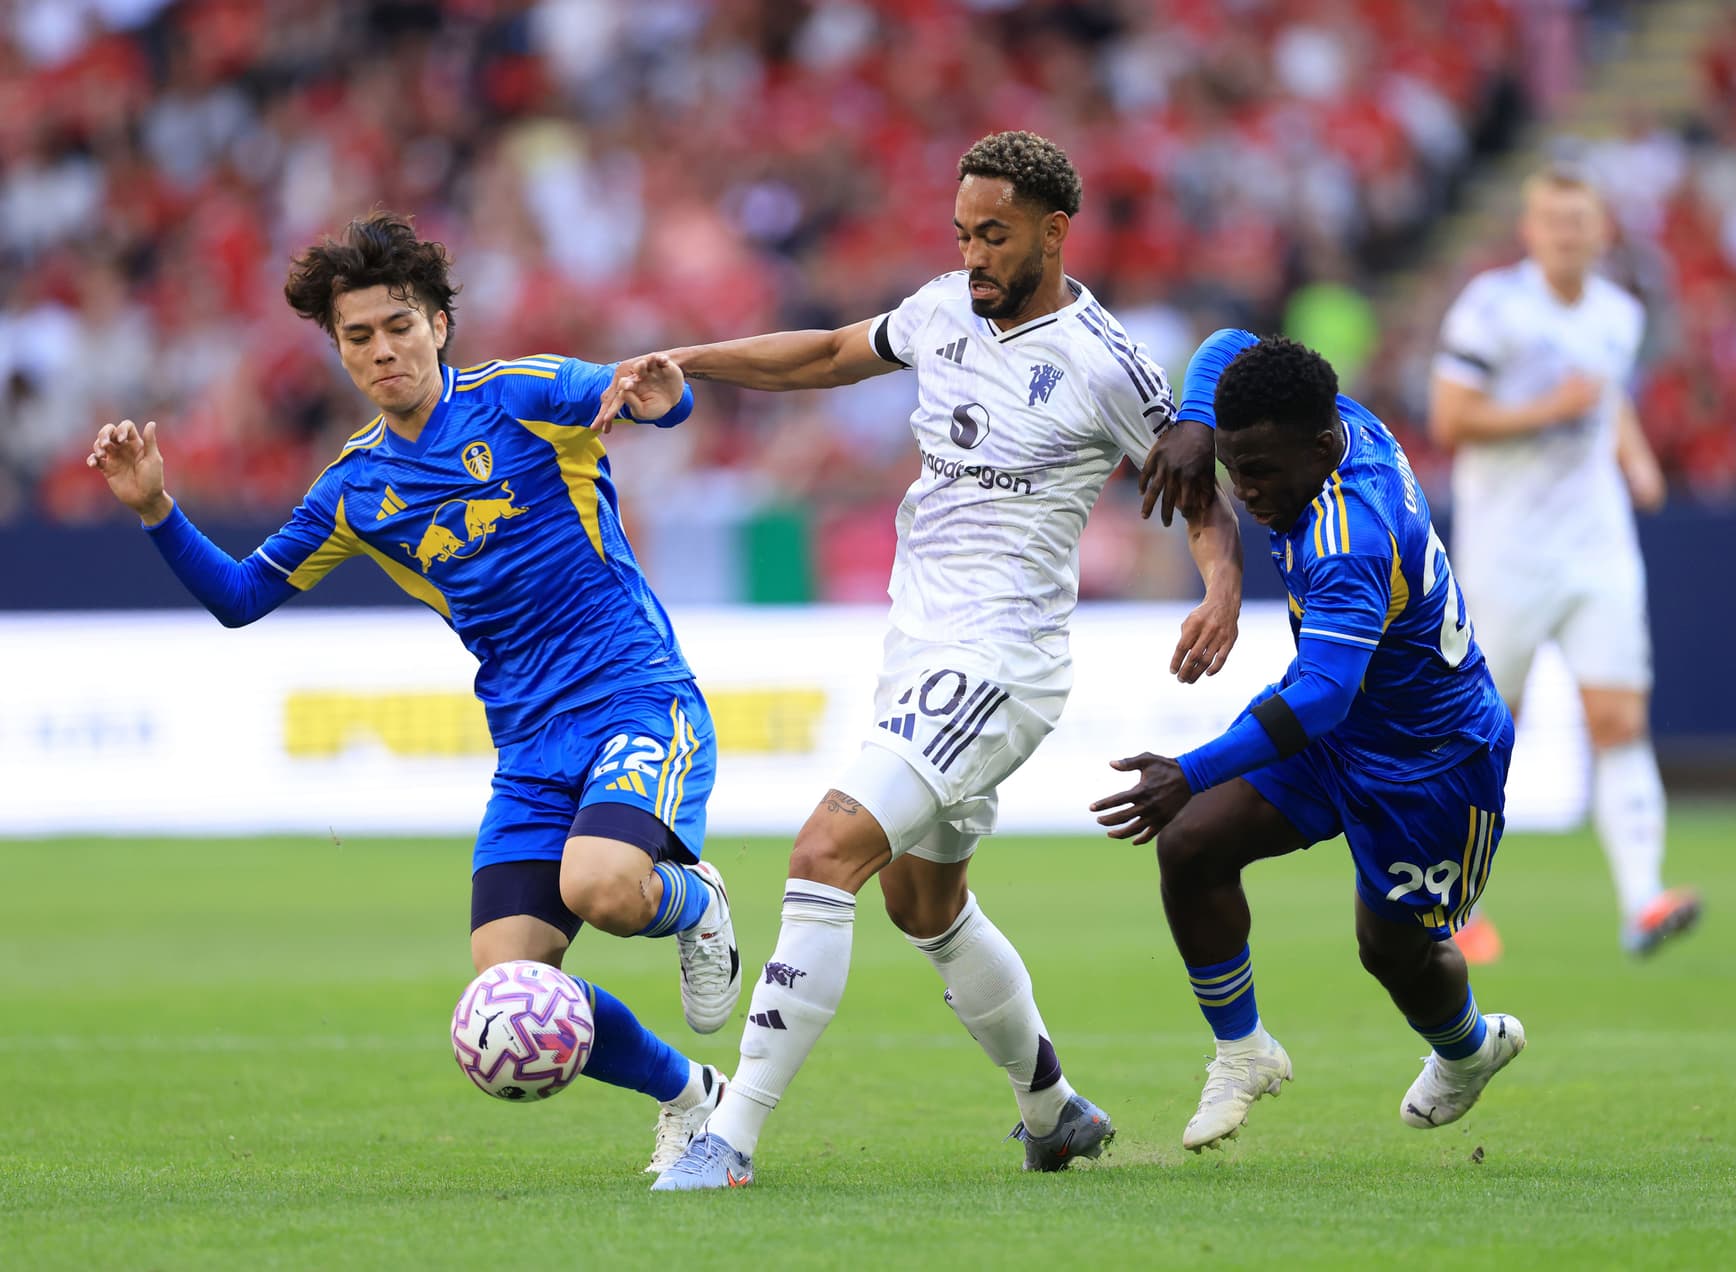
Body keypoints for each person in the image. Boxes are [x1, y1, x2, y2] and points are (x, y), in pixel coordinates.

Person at [633, 131, 1242, 1190]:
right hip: (917, 649)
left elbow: (1192, 485)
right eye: (962, 233)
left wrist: (1222, 586)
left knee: (825, 850)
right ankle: (1052, 1112)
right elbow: (828, 354)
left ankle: (729, 1136)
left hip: (1001, 660)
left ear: (1055, 232)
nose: (973, 256)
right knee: (925, 904)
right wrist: (692, 362)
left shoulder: (1105, 361)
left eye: (994, 236)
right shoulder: (941, 309)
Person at [85, 212, 740, 1172]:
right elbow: (239, 598)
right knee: (504, 991)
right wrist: (156, 511)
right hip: (528, 748)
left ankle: (695, 900)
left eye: (400, 325)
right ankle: (692, 1095)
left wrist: (659, 395)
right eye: (359, 336)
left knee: (600, 887)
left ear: (439, 324)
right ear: (339, 351)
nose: (383, 349)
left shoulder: (518, 396)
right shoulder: (353, 491)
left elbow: (634, 395)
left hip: (636, 696)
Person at [1093, 332, 1523, 1152]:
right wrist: (1192, 421)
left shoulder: (1347, 539)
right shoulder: (1327, 417)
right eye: (1234, 465)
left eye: (1262, 474)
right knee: (1192, 846)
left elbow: (1324, 696)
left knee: (1392, 952)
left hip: (1429, 761)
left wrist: (1189, 768)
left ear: (1323, 450)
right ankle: (1242, 1050)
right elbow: (1228, 343)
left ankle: (1469, 1048)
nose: (1245, 492)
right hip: (1344, 727)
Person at [1430, 167, 1700, 963]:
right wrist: (1551, 410)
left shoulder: (1619, 313)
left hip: (1597, 546)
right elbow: (1450, 417)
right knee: (1481, 730)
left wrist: (1637, 458)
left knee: (1618, 719)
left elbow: (1606, 396)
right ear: (1529, 230)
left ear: (1601, 231)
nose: (1566, 234)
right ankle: (1445, 905)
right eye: (1553, 221)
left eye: (1579, 221)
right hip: (1508, 551)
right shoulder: (1492, 306)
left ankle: (1644, 901)